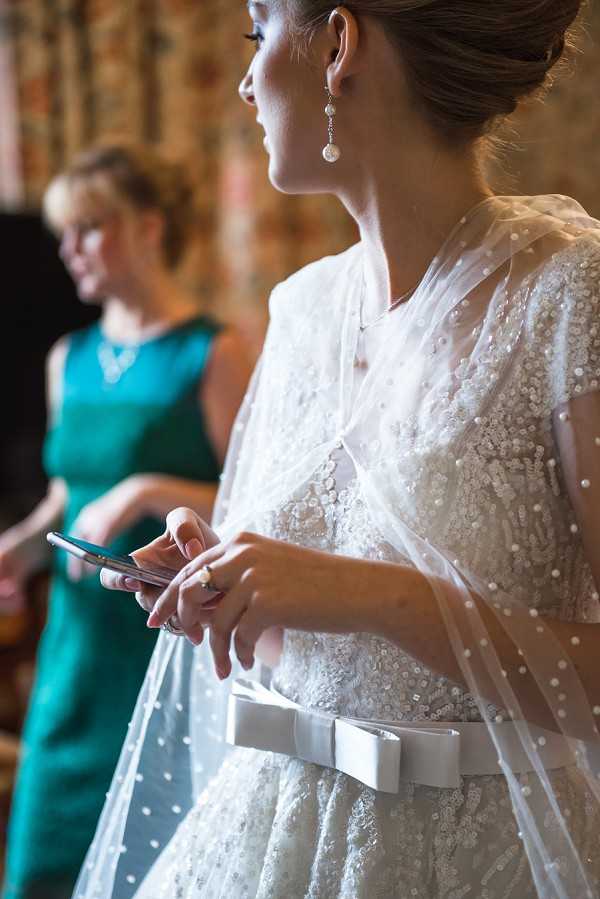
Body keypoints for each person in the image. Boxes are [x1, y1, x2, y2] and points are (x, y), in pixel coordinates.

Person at [76, 4, 600, 899]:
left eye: (256, 33)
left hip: (477, 857)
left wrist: (371, 595)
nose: (244, 79)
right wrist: (230, 581)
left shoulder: (568, 296)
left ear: (338, 44)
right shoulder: (301, 310)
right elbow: (304, 649)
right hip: (277, 833)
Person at [0, 144, 251, 899]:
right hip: (72, 655)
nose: (69, 249)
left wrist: (147, 488)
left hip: (163, 642)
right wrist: (19, 550)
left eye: (89, 227)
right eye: (64, 232)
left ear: (149, 227)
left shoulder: (214, 351)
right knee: (41, 857)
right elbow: (65, 494)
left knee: (156, 862)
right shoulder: (67, 357)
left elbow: (251, 502)